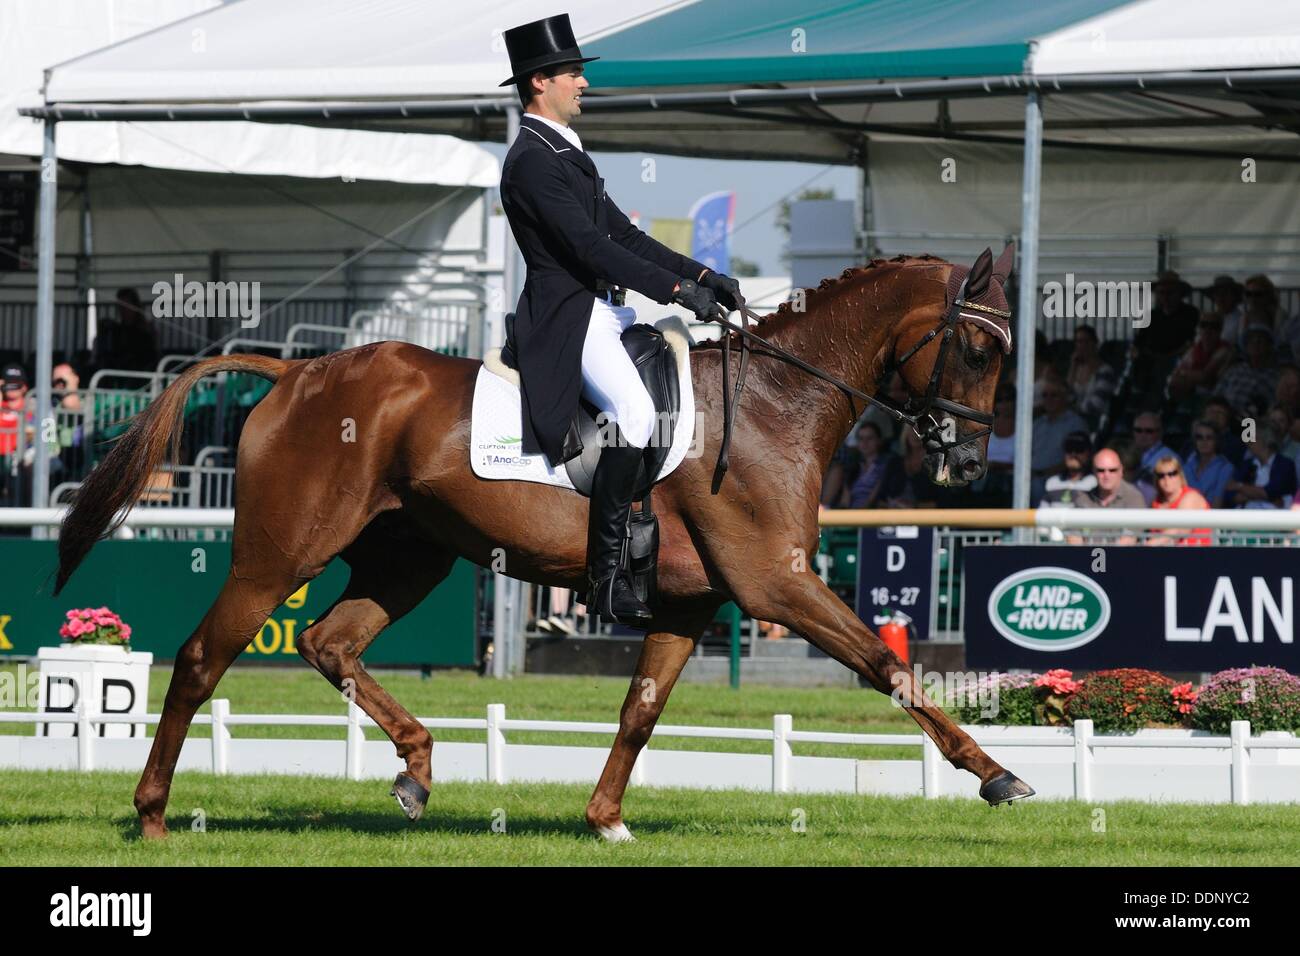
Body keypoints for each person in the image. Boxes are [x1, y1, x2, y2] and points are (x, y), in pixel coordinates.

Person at [497, 14, 743, 627]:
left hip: (603, 309)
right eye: (573, 73)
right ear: (539, 84)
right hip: (567, 314)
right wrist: (680, 292)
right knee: (635, 415)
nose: (583, 83)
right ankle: (604, 576)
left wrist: (703, 275)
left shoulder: (566, 153)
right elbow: (589, 249)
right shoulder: (532, 160)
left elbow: (625, 236)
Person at [1068, 447, 1146, 545]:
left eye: (1112, 470)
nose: (1106, 475)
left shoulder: (1134, 497)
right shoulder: (1083, 499)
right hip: (1086, 558)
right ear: (1094, 471)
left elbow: (1128, 540)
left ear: (1121, 470)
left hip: (1121, 558)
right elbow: (1073, 537)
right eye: (1101, 470)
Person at [1030, 379, 1088, 502]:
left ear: (1065, 397)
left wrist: (1045, 473)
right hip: (1030, 481)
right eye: (1045, 395)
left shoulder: (1075, 423)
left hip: (1061, 483)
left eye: (1054, 395)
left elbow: (1079, 457)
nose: (1048, 399)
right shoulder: (1037, 424)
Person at [1225, 421, 1298, 509]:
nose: (1247, 442)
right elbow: (1231, 494)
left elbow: (1270, 492)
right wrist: (1261, 496)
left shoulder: (1284, 464)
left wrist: (1239, 486)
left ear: (1266, 440)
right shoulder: (1246, 464)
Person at [1215, 324, 1282, 419]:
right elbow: (1216, 396)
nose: (1255, 342)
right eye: (1251, 340)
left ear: (1269, 346)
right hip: (1223, 418)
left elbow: (1275, 409)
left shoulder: (1275, 377)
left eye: (1260, 340)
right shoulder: (1234, 370)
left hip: (1252, 425)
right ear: (1245, 346)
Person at [1147, 454, 1211, 546]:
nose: (1167, 478)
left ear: (1180, 475)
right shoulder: (1156, 502)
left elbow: (1179, 530)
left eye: (1172, 474)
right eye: (1161, 475)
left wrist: (1148, 546)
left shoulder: (1191, 497)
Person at [1168, 311, 1233, 400]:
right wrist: (1193, 376)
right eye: (1203, 325)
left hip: (1212, 398)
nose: (1208, 330)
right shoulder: (1195, 348)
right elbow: (1176, 373)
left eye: (1213, 326)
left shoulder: (1225, 349)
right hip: (1192, 393)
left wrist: (1185, 374)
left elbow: (1204, 376)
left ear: (1220, 330)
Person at [1066, 325, 1116, 420]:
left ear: (1095, 343)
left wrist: (1070, 407)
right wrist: (1073, 368)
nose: (1082, 346)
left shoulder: (1105, 372)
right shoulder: (1077, 369)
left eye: (1086, 342)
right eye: (1079, 342)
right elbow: (1065, 395)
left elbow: (1096, 406)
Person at [1183, 419, 1234, 508]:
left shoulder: (1225, 467)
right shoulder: (1187, 466)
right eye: (1199, 437)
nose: (1204, 442)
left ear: (1217, 440)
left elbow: (1217, 503)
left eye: (1209, 437)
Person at [1040, 430, 1096, 507]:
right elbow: (1043, 514)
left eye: (1079, 449)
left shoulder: (1095, 483)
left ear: (1089, 453)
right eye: (1069, 449)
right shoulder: (1052, 483)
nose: (1073, 454)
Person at [1205, 275, 1246, 350]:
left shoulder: (1242, 320)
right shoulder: (1209, 318)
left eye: (1225, 293)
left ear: (1234, 296)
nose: (1221, 298)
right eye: (1217, 294)